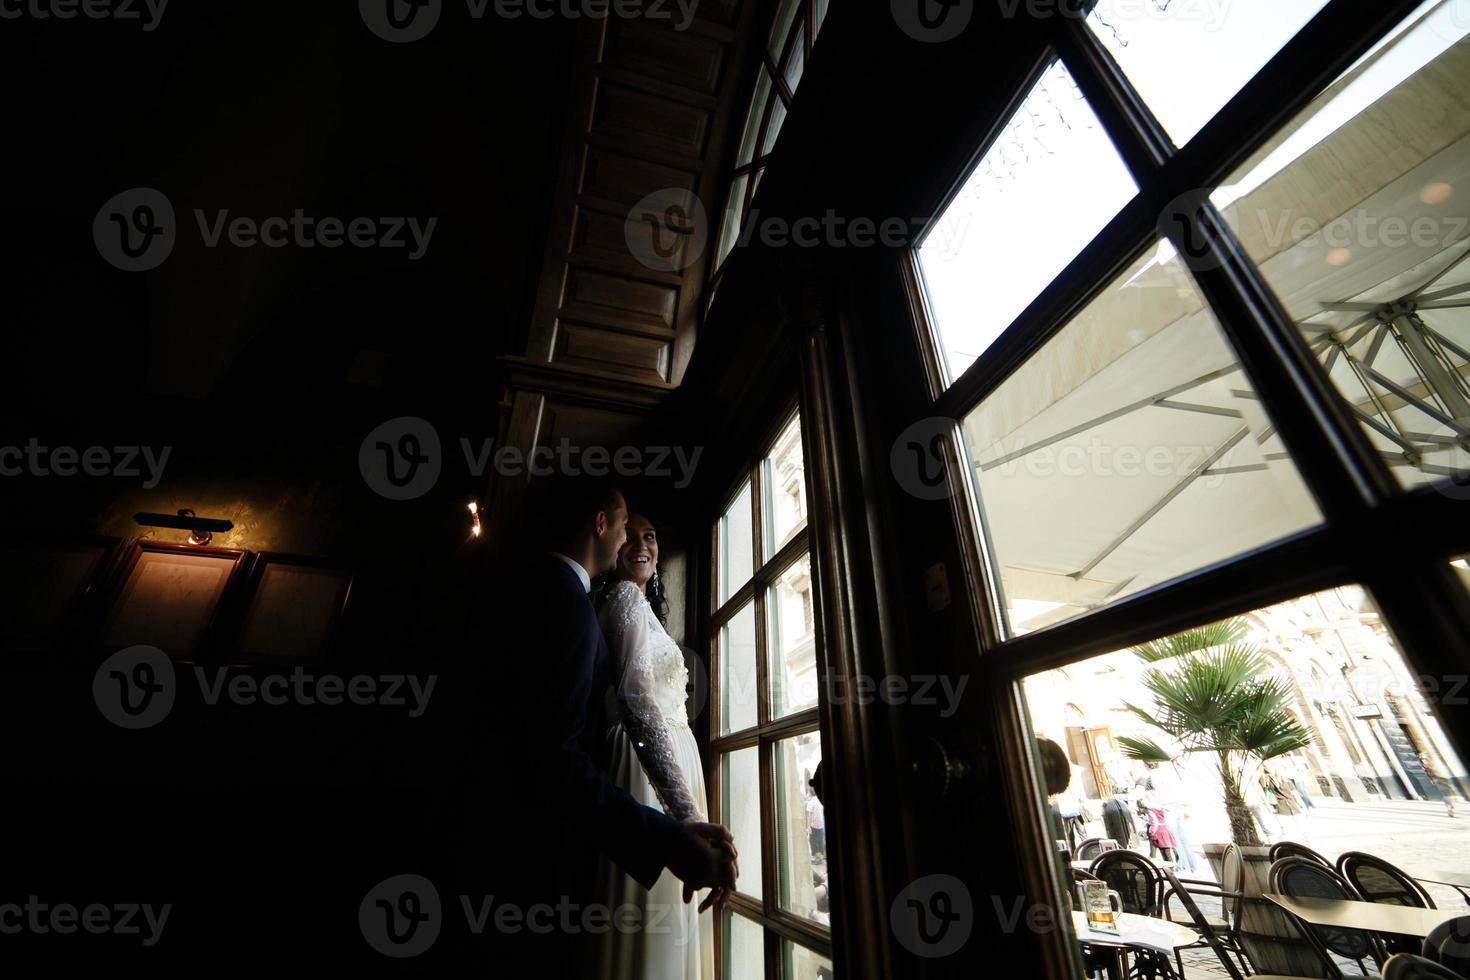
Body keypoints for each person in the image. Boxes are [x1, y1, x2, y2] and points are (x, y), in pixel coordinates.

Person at [453, 480, 736, 977]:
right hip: (550, 825)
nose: (635, 539)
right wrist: (677, 826)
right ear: (602, 525)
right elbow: (561, 751)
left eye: (649, 535)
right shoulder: (570, 604)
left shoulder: (561, 594)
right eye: (628, 526)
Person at [593, 510, 721, 980]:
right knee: (653, 916)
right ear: (615, 542)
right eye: (632, 535)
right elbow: (638, 701)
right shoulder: (625, 596)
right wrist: (686, 815)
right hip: (642, 764)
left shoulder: (642, 608)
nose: (642, 545)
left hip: (666, 758)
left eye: (651, 536)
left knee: (666, 916)